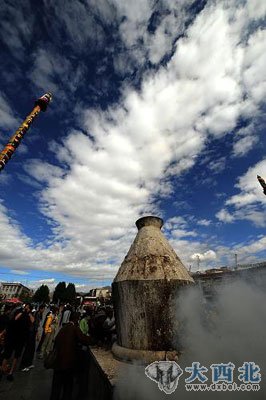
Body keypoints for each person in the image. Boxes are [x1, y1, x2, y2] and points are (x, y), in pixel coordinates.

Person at [49, 312, 92, 400]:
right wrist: (93, 340)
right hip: (67, 364)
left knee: (56, 387)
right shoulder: (74, 328)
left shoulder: (64, 327)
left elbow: (56, 341)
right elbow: (83, 338)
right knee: (67, 386)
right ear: (76, 319)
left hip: (58, 362)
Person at [1, 303, 34, 381]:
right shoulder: (19, 311)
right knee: (7, 354)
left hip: (21, 339)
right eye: (26, 306)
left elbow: (32, 321)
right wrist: (23, 312)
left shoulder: (29, 315)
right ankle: (2, 370)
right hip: (13, 336)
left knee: (16, 356)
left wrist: (29, 313)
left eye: (28, 307)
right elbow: (15, 318)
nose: (26, 308)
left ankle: (10, 373)